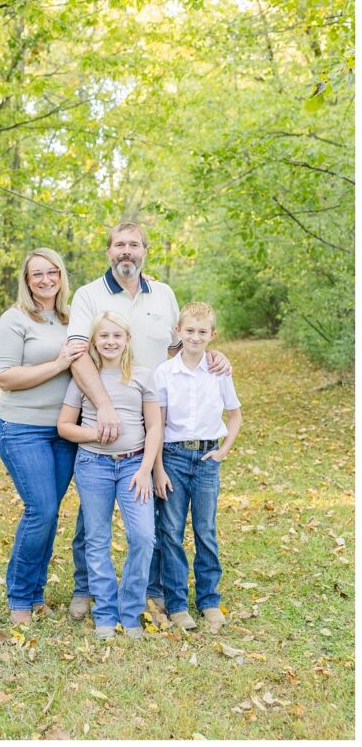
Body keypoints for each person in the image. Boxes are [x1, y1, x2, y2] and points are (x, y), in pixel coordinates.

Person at [64, 220, 230, 622]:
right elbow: (76, 352)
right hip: (108, 417)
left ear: (144, 252)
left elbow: (180, 348)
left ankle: (152, 590)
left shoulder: (164, 293)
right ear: (108, 251)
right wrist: (102, 405)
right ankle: (86, 587)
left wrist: (212, 357)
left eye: (133, 245)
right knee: (93, 514)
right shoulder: (89, 295)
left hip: (156, 418)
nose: (126, 251)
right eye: (119, 245)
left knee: (154, 510)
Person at [0, 248, 87, 626]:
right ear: (27, 281)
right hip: (21, 428)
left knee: (48, 515)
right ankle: (19, 597)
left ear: (61, 276)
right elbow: (6, 378)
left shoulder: (72, 318)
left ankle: (36, 595)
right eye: (37, 275)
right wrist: (59, 364)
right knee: (41, 509)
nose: (46, 280)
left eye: (52, 272)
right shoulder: (15, 319)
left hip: (64, 430)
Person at [58, 310, 162, 640]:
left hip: (134, 466)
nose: (110, 341)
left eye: (117, 335)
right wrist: (95, 435)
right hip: (94, 466)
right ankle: (105, 613)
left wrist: (146, 469)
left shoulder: (143, 376)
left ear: (127, 339)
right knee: (96, 539)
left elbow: (155, 425)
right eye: (103, 336)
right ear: (93, 342)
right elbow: (64, 427)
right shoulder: (84, 379)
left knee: (143, 536)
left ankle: (130, 611)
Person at [153, 302, 243, 632]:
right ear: (179, 332)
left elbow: (234, 415)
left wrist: (223, 451)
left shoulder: (219, 371)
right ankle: (176, 603)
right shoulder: (164, 373)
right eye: (189, 330)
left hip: (206, 459)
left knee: (205, 530)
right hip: (174, 457)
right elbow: (158, 426)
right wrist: (159, 468)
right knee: (171, 531)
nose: (194, 336)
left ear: (212, 335)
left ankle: (209, 600)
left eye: (202, 332)